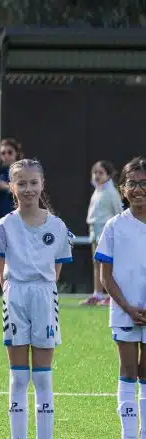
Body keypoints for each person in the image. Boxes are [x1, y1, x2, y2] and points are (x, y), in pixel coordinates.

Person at [0, 158, 71, 439]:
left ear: (42, 185)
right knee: (18, 376)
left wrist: (40, 286)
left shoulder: (58, 227)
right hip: (16, 295)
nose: (28, 189)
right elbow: (2, 271)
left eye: (33, 183)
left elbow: (56, 269)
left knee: (42, 376)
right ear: (12, 187)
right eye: (21, 183)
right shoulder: (2, 226)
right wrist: (14, 291)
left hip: (44, 295)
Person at [96, 157, 146, 439]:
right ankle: (129, 434)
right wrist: (126, 306)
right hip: (124, 312)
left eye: (144, 183)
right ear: (123, 188)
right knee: (128, 370)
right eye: (132, 184)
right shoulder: (115, 226)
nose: (138, 189)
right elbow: (106, 276)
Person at [82, 160, 122, 306]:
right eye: (95, 173)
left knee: (108, 264)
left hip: (107, 231)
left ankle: (112, 296)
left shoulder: (111, 192)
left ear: (108, 175)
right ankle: (98, 295)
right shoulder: (97, 191)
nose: (97, 176)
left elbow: (119, 212)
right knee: (97, 263)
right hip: (95, 230)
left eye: (101, 173)